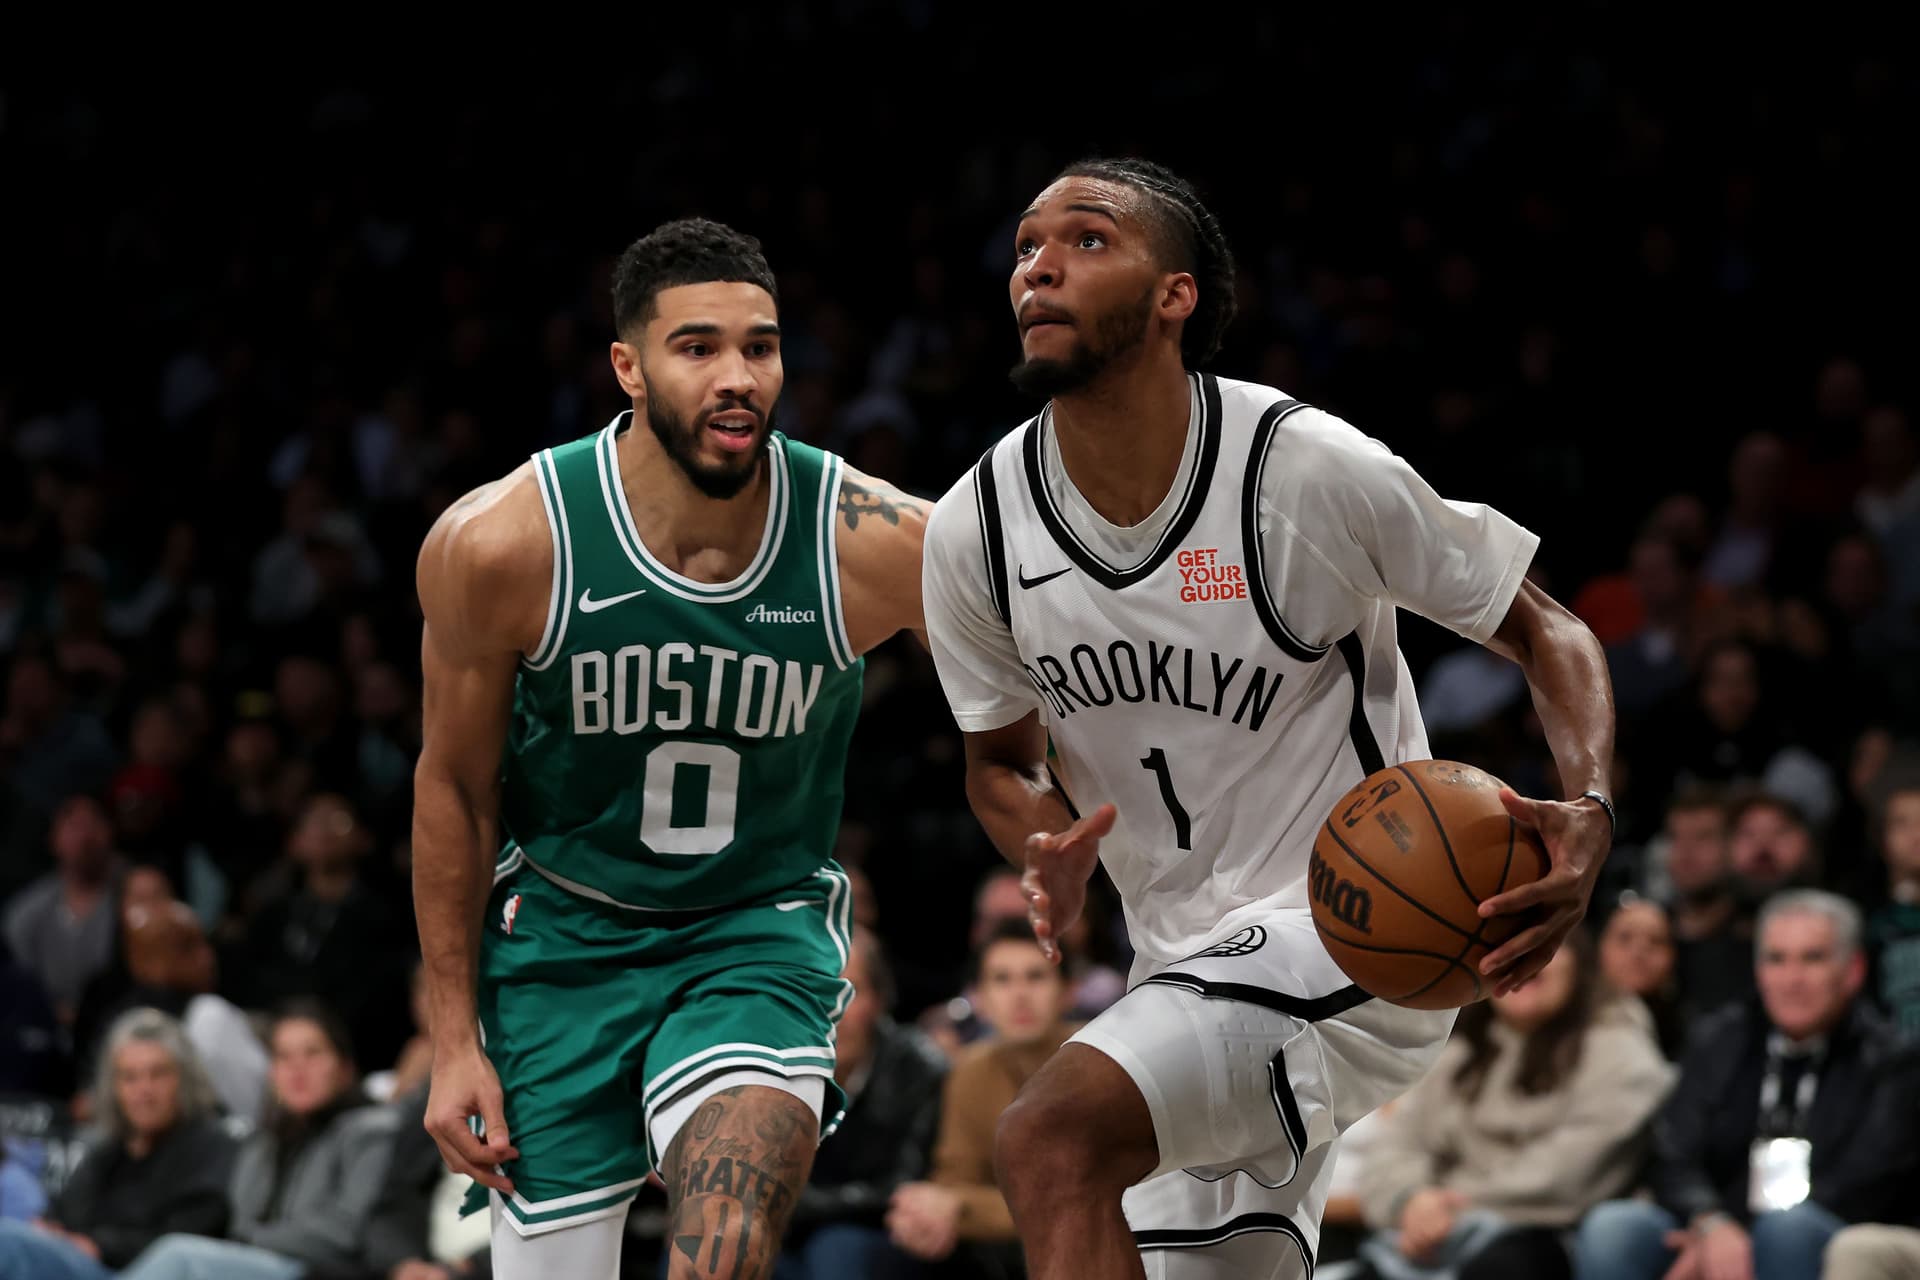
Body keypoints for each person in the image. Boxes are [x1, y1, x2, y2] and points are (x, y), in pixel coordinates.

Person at [920, 156, 1617, 1279]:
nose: (1039, 267)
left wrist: (1587, 803)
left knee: (1049, 1134)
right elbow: (999, 759)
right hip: (1178, 963)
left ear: (1174, 294)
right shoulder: (976, 532)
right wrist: (1038, 844)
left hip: (1358, 930)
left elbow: (1548, 629)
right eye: (1025, 247)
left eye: (1086, 239)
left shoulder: (1303, 469)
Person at [412, 217, 928, 1280]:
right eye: (698, 347)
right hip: (560, 935)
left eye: (761, 345)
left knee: (723, 1247)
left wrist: (1034, 800)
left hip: (754, 927)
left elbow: (1020, 692)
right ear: (628, 367)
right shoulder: (505, 541)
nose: (739, 375)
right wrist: (453, 1036)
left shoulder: (872, 539)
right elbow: (456, 789)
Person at [1573, 891, 1920, 1280]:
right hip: (1714, 1222)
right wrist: (1709, 1222)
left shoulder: (1891, 1059)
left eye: (1813, 958)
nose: (1792, 979)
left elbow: (1864, 1186)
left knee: (1786, 1231)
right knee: (1615, 1228)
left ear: (1853, 969)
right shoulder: (1720, 1037)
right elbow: (1672, 1151)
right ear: (1758, 970)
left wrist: (1741, 1232)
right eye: (1776, 959)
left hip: (1826, 1230)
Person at [1349, 928, 1673, 1280]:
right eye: (1507, 948)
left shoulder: (1621, 1052)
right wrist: (1411, 1201)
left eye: (1541, 948)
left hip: (1548, 1237)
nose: (1523, 962)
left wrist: (1446, 1209)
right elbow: (1396, 1145)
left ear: (1580, 963)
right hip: (1431, 1234)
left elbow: (1566, 1177)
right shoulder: (1460, 1052)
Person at [121, 1000, 400, 1280]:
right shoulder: (262, 1142)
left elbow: (346, 1230)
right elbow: (242, 1221)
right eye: (284, 1057)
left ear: (344, 1067)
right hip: (263, 1264)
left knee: (179, 1256)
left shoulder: (370, 1132)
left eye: (312, 1053)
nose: (297, 1069)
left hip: (321, 1271)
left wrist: (255, 1240)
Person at [888, 920, 1080, 1277]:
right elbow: (952, 1182)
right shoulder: (969, 1071)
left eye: (1036, 976)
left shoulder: (1102, 1063)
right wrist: (948, 1204)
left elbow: (1087, 1205)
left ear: (1068, 990)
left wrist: (964, 1207)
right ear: (981, 999)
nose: (1019, 994)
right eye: (1002, 979)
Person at [0, 1007, 237, 1279]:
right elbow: (61, 1213)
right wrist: (49, 1229)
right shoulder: (110, 1150)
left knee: (7, 1243)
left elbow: (191, 1236)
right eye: (129, 1078)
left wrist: (100, 1245)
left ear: (184, 1079)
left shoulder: (211, 1144)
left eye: (158, 1074)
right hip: (82, 1263)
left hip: (138, 1270)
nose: (143, 1091)